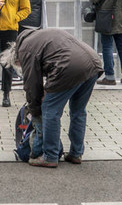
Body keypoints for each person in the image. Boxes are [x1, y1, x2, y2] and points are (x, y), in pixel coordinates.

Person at [7, 27, 103, 168]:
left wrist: (35, 109)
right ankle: (76, 154)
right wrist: (48, 89)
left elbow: (32, 84)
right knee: (78, 111)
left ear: (17, 58)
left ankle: (50, 156)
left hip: (69, 67)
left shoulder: (25, 50)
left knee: (49, 110)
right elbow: (53, 60)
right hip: (93, 63)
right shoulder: (41, 35)